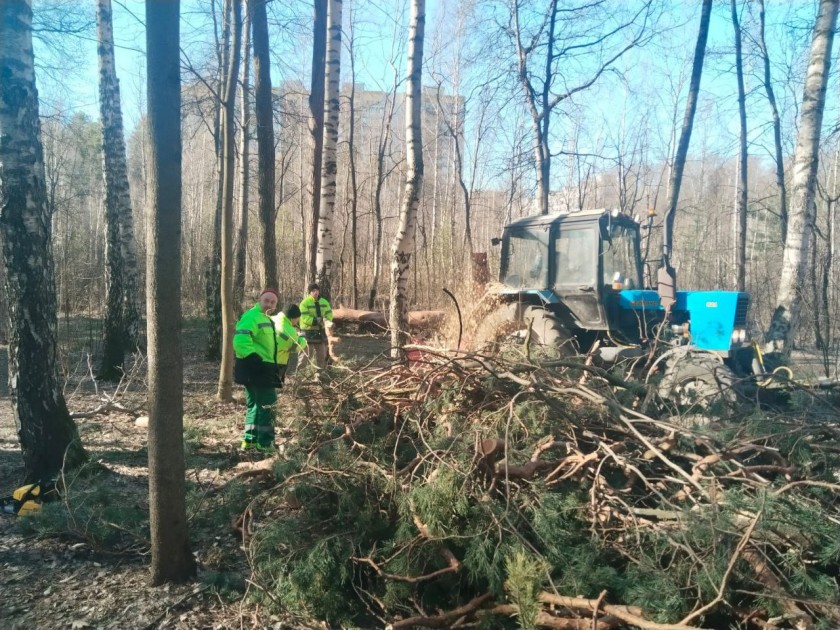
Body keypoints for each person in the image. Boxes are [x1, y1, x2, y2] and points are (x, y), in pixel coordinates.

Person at [233, 288, 286, 451]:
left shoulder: (266, 319)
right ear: (260, 300)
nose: (269, 304)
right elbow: (240, 339)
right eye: (266, 301)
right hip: (257, 369)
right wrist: (254, 360)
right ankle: (266, 443)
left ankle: (250, 441)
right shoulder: (251, 316)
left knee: (255, 405)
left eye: (273, 302)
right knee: (268, 406)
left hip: (261, 368)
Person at [299, 282, 334, 370]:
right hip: (307, 333)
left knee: (321, 355)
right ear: (310, 292)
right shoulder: (304, 303)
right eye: (313, 291)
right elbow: (305, 318)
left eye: (317, 290)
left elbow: (329, 314)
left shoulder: (324, 302)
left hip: (320, 333)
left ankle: (319, 375)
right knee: (305, 356)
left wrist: (327, 320)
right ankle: (299, 376)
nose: (315, 292)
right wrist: (318, 320)